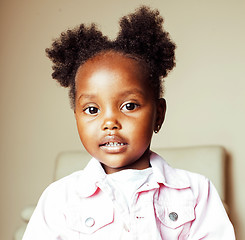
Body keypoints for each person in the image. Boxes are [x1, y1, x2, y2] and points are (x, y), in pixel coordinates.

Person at [22, 6, 235, 240]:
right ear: (76, 117)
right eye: (92, 110)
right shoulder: (58, 199)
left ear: (159, 115)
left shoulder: (196, 192)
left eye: (129, 106)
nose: (110, 122)